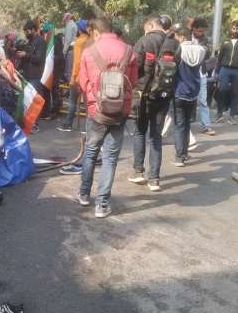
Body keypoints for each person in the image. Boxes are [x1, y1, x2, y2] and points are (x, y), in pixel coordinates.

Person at [76, 16, 137, 218]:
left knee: (91, 153)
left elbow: (82, 83)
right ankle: (102, 205)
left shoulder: (89, 51)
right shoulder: (129, 51)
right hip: (120, 112)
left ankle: (84, 194)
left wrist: (93, 101)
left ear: (95, 32)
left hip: (96, 112)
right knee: (110, 158)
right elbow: (133, 82)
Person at [129, 15, 181, 192]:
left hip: (143, 95)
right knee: (156, 137)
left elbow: (134, 67)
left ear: (151, 25)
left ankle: (138, 172)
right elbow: (177, 71)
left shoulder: (144, 41)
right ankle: (154, 180)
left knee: (139, 131)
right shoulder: (174, 45)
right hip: (164, 96)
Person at [173, 28, 206, 167]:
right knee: (187, 124)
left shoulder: (179, 50)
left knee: (179, 125)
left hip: (180, 91)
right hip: (193, 92)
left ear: (180, 37)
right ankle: (184, 153)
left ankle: (179, 157)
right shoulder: (201, 50)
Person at [58, 19, 91, 132]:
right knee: (88, 104)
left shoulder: (79, 42)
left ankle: (68, 124)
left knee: (72, 102)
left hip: (78, 77)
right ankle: (89, 127)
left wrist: (73, 78)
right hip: (89, 77)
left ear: (80, 29)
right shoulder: (92, 41)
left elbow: (77, 62)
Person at [215, 21, 238, 125]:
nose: (235, 30)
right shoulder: (225, 41)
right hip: (224, 69)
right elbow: (220, 57)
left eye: (237, 28)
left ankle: (232, 116)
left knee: (236, 93)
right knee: (222, 90)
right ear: (231, 29)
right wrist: (217, 71)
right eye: (233, 28)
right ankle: (219, 114)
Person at [191, 18, 217, 136]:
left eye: (203, 31)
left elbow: (206, 56)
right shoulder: (185, 37)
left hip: (201, 73)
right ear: (193, 28)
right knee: (184, 100)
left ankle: (206, 126)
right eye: (199, 31)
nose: (201, 33)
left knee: (203, 101)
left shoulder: (205, 40)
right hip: (187, 74)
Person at [62, 12, 77, 81]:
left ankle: (70, 90)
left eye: (64, 17)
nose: (63, 19)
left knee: (69, 72)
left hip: (70, 50)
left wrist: (64, 52)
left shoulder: (69, 25)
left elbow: (67, 40)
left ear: (67, 18)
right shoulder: (74, 24)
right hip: (74, 50)